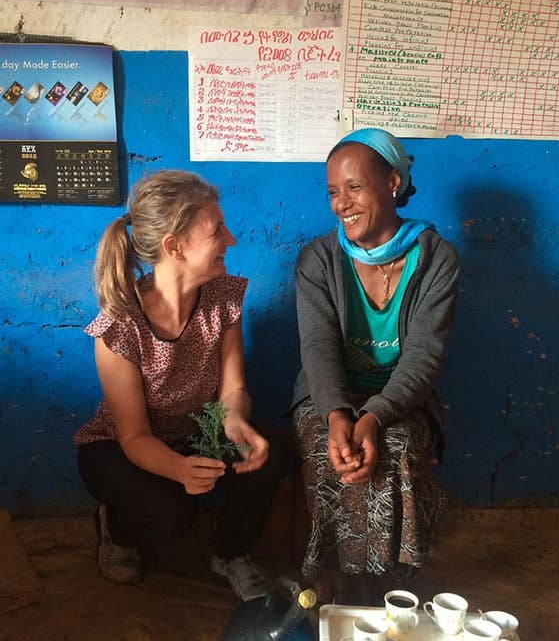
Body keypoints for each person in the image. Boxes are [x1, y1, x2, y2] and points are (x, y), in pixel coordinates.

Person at [74, 169, 286, 597]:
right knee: (172, 514)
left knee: (272, 453)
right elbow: (134, 436)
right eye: (217, 230)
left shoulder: (223, 296)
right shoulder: (119, 326)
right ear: (175, 246)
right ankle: (117, 528)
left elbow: (232, 390)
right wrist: (178, 470)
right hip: (120, 446)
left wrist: (236, 424)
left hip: (194, 433)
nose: (231, 239)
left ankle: (230, 552)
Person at [291, 127, 460, 604]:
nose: (341, 203)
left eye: (354, 187)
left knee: (395, 445)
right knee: (326, 446)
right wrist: (340, 415)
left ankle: (389, 581)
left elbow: (425, 357)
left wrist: (374, 416)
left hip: (402, 399)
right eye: (332, 191)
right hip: (328, 395)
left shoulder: (436, 259)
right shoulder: (318, 261)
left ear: (391, 183)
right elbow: (318, 348)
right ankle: (334, 579)